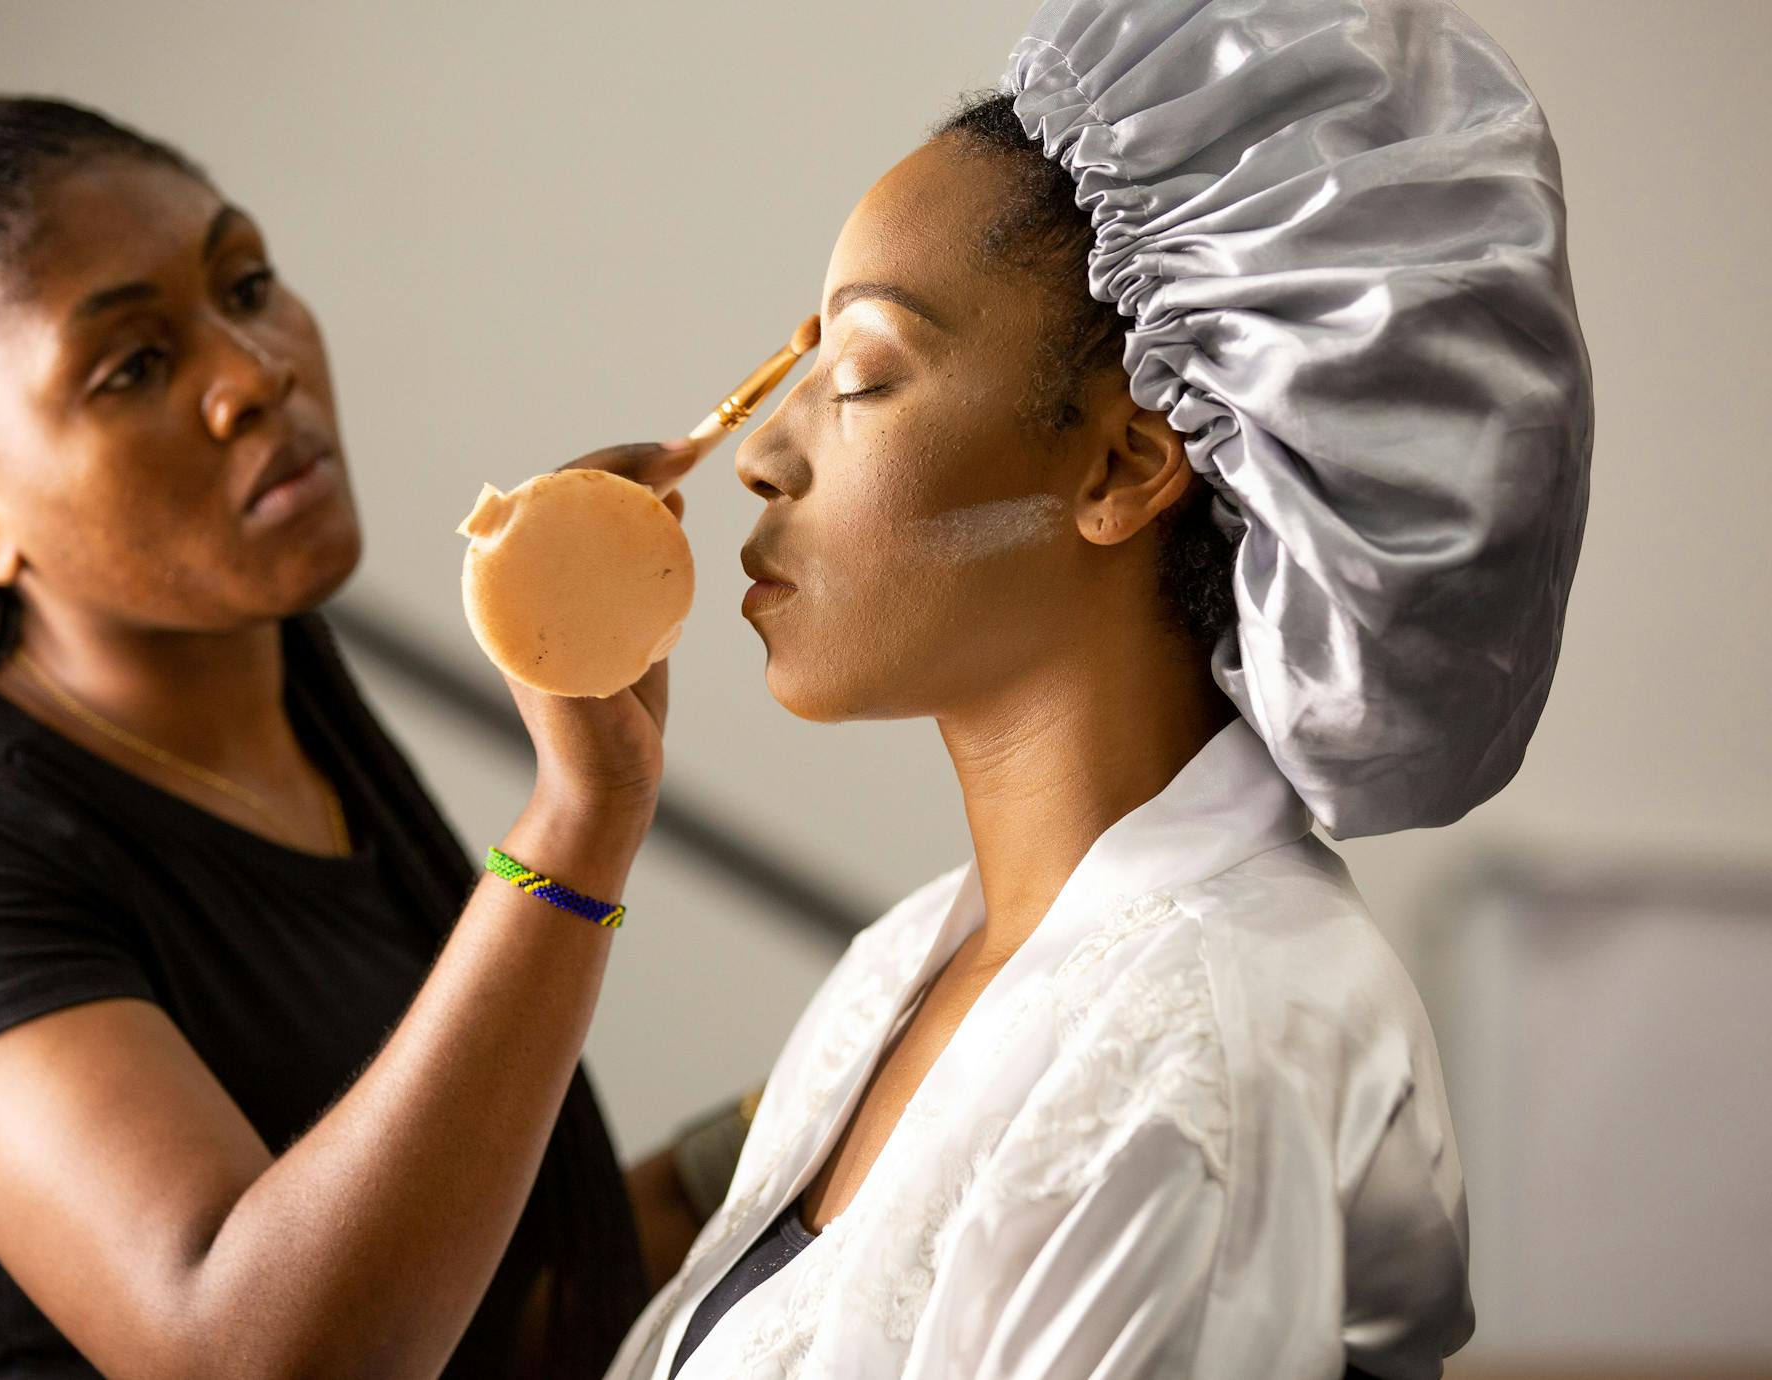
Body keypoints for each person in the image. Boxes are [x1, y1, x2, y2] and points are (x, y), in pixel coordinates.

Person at [609, 0, 1592, 1374]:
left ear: (1122, 468)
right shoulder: (906, 967)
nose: (764, 456)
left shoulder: (1203, 1064)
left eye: (866, 375)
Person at [0, 95, 719, 1379]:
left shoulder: (310, 755)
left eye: (246, 283)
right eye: (135, 366)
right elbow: (256, 1356)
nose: (254, 370)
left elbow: (500, 1312)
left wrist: (864, 1076)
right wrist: (579, 824)